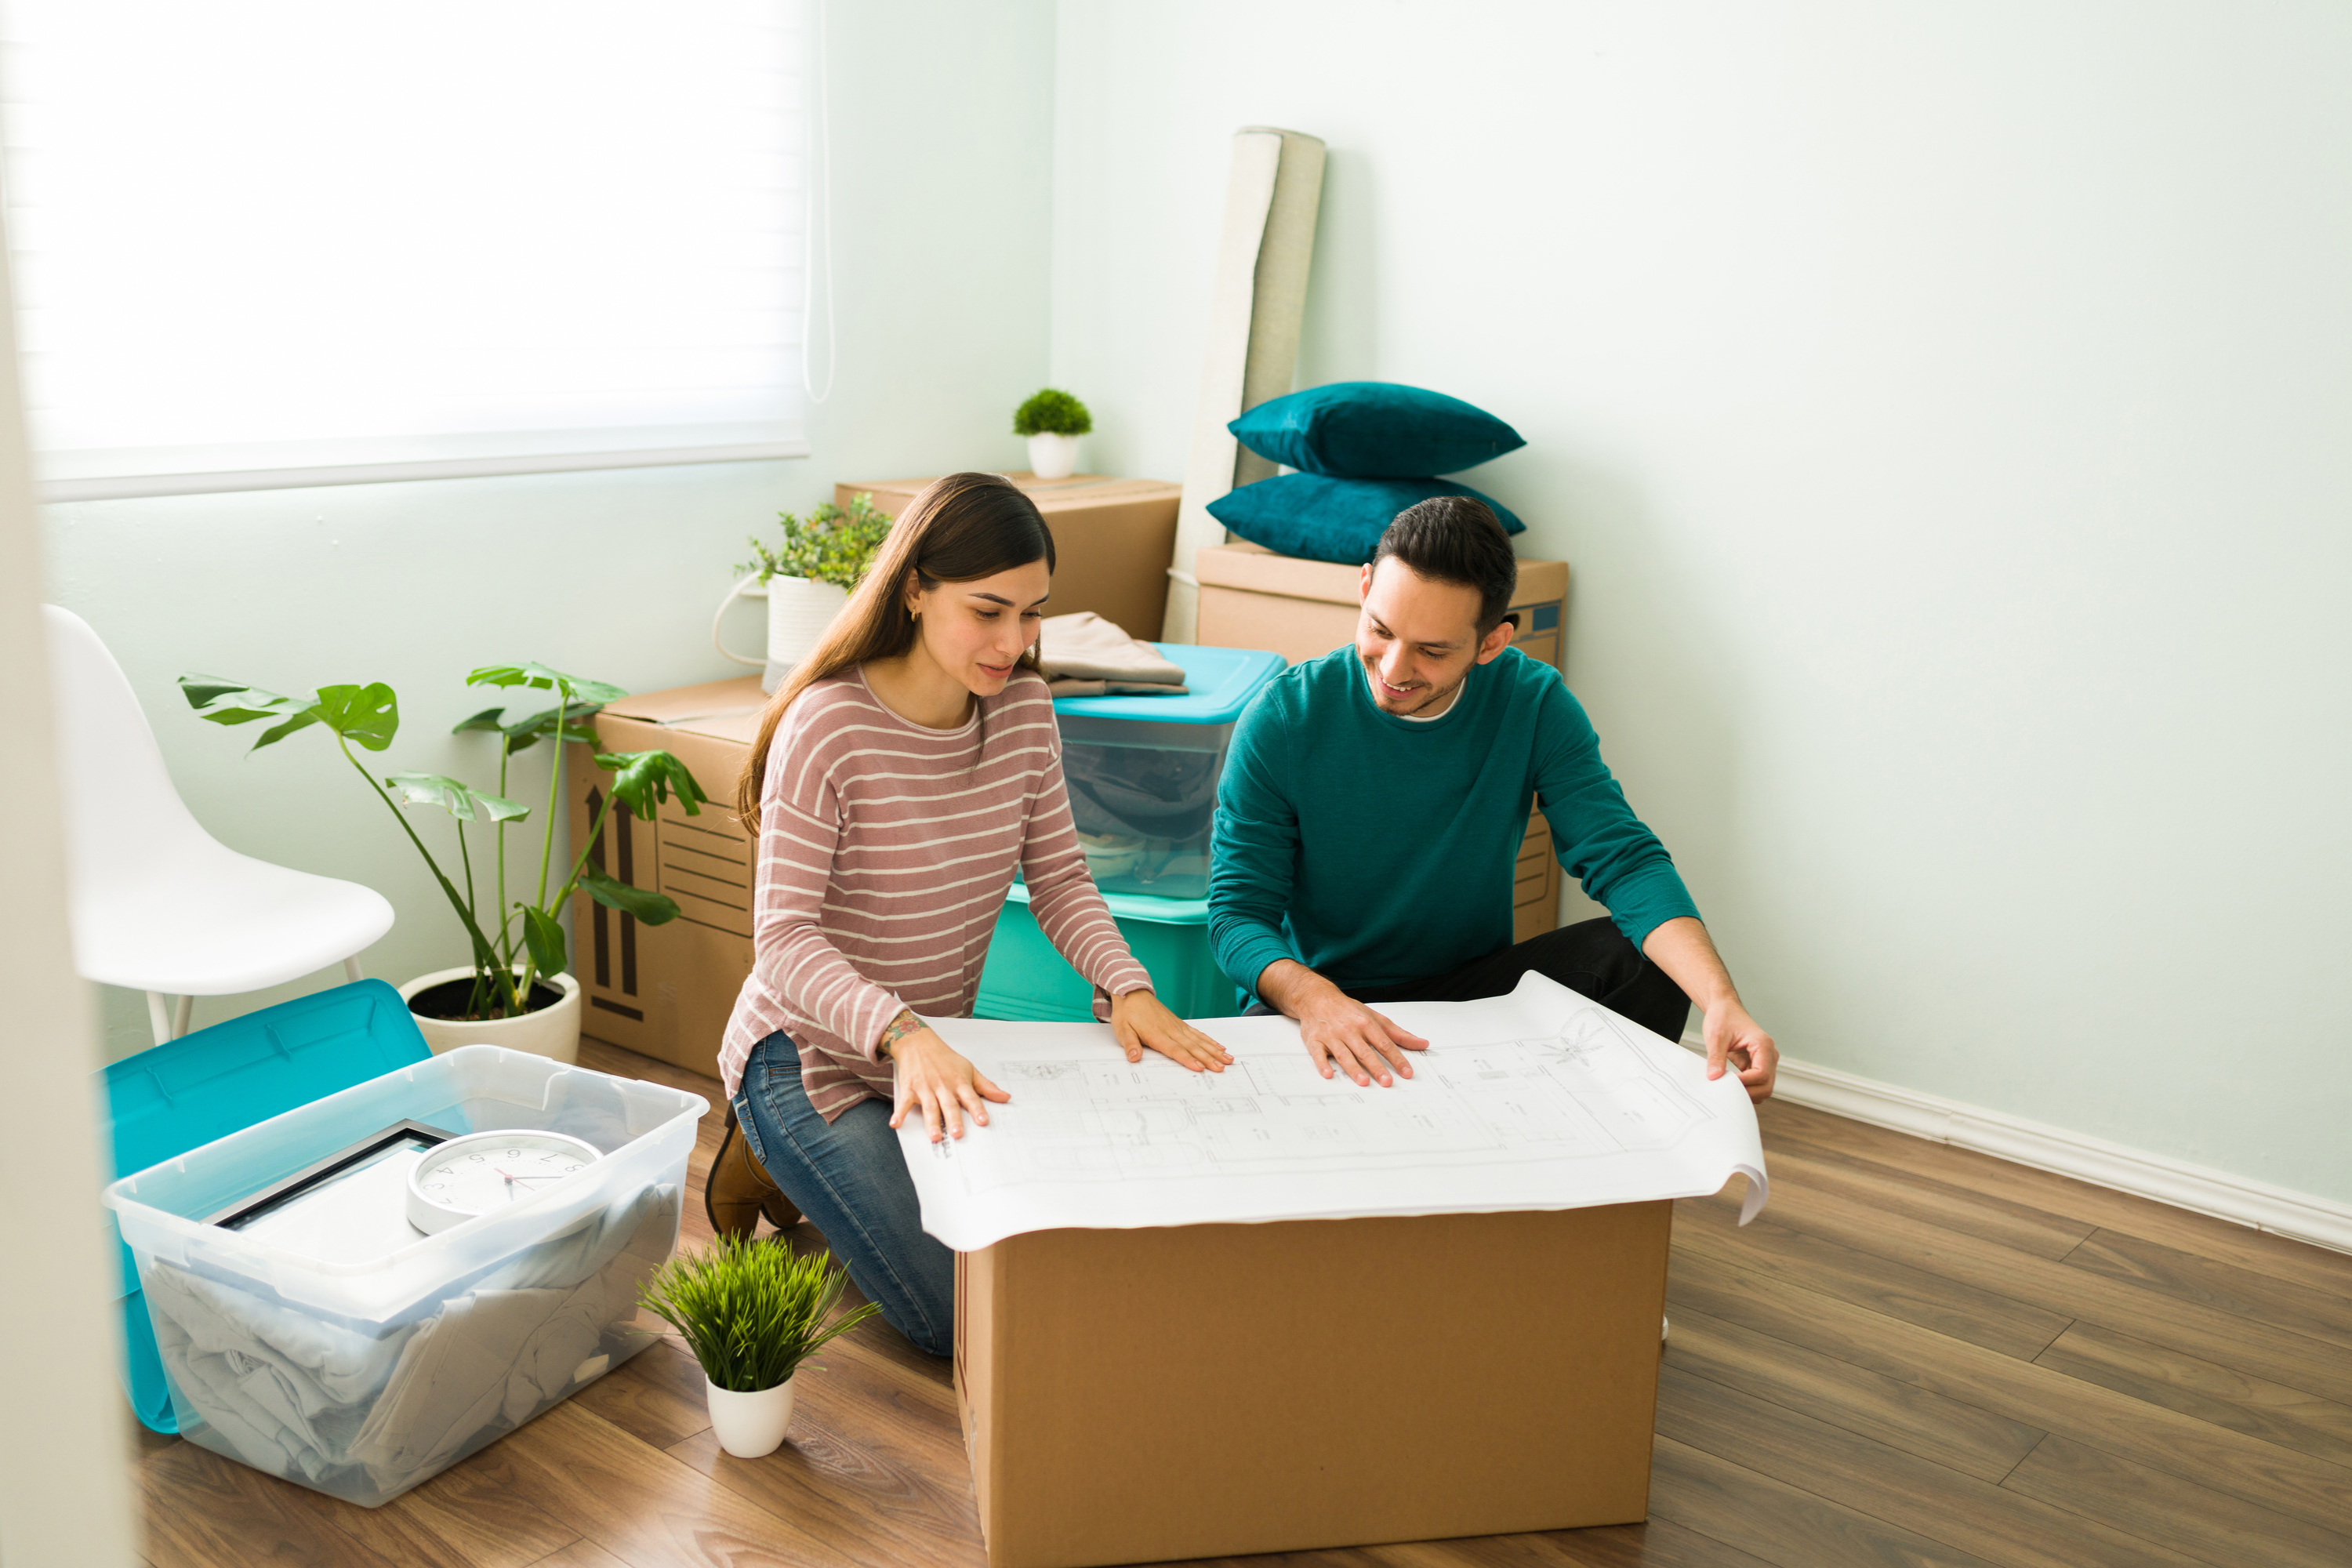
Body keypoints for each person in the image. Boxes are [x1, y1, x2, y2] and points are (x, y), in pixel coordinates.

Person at [703, 471, 1232, 1357]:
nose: (1014, 640)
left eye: (1033, 613)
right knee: (964, 1319)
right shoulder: (827, 725)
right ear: (915, 589)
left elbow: (1059, 876)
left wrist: (1126, 986)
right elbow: (785, 941)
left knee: (1052, 1241)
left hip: (939, 1049)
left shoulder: (1023, 708)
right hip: (808, 1058)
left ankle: (809, 1160)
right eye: (989, 610)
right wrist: (903, 1032)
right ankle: (761, 1143)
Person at [1207, 495, 1779, 1101]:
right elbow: (1237, 916)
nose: (1394, 669)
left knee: (1645, 963)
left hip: (1468, 992)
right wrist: (1316, 999)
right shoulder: (1283, 718)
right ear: (1366, 586)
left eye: (1432, 650)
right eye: (1380, 630)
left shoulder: (1532, 704)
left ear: (1491, 643)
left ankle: (1596, 1159)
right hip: (1319, 995)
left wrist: (1719, 1000)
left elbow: (1623, 856)